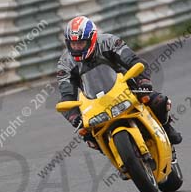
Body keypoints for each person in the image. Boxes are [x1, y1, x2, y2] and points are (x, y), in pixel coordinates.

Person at [56, 16, 182, 147]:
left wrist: (143, 80)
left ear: (91, 39)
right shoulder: (65, 63)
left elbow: (133, 60)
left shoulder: (109, 42)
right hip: (93, 102)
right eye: (73, 44)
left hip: (126, 89)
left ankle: (166, 127)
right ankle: (114, 154)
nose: (76, 48)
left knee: (159, 101)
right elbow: (67, 94)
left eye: (81, 43)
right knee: (88, 136)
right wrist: (74, 116)